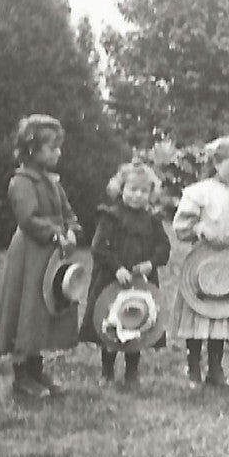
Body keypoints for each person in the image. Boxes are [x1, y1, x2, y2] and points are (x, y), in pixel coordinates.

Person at [0, 114, 83, 400]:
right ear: (31, 150)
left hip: (52, 255)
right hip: (30, 255)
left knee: (44, 310)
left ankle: (37, 370)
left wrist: (73, 231)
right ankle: (22, 377)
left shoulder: (53, 182)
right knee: (27, 310)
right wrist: (56, 233)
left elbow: (68, 212)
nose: (58, 153)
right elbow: (28, 218)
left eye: (58, 147)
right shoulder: (21, 182)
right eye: (52, 147)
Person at [170, 136, 229, 388]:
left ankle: (216, 369)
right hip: (202, 261)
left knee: (221, 313)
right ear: (217, 164)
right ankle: (193, 366)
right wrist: (200, 228)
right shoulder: (200, 193)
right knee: (199, 311)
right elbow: (181, 226)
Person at [82, 159, 172, 389]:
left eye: (144, 191)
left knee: (138, 323)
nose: (137, 195)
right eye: (132, 189)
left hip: (140, 281)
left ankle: (132, 372)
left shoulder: (152, 220)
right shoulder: (110, 216)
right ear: (120, 188)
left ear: (151, 194)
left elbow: (163, 247)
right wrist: (117, 268)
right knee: (111, 323)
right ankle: (107, 371)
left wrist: (150, 264)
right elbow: (99, 247)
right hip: (113, 279)